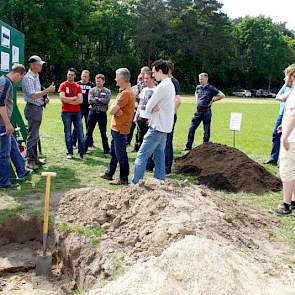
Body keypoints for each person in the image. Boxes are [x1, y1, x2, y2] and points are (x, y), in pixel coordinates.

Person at [132, 59, 175, 185]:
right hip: (164, 126)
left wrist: (153, 106)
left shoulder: (162, 86)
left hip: (157, 127)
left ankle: (135, 184)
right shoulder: (170, 84)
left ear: (160, 71)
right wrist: (154, 106)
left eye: (154, 71)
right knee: (159, 155)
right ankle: (160, 180)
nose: (153, 74)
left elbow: (148, 105)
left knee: (141, 155)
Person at [101, 68, 134, 185]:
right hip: (117, 128)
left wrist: (114, 107)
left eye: (116, 76)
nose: (115, 79)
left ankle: (124, 178)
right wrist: (114, 106)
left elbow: (111, 110)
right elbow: (112, 107)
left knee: (121, 154)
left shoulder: (125, 93)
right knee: (114, 153)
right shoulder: (124, 91)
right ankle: (109, 173)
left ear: (122, 79)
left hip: (120, 129)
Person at [22, 55, 55, 170]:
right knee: (32, 136)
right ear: (32, 65)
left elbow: (38, 93)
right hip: (32, 109)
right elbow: (32, 95)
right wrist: (47, 90)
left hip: (37, 108)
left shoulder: (36, 76)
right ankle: (30, 161)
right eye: (39, 64)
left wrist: (44, 98)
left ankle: (34, 159)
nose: (41, 66)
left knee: (35, 136)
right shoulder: (28, 78)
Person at [0, 64, 30, 188]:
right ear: (19, 74)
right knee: (4, 154)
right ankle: (4, 182)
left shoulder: (5, 81)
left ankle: (22, 171)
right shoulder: (5, 83)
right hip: (2, 124)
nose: (20, 81)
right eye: (21, 78)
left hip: (5, 123)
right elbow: (0, 105)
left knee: (14, 149)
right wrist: (7, 124)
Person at [273, 64, 295, 215]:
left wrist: (286, 135)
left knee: (287, 171)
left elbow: (294, 114)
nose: (284, 78)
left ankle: (286, 205)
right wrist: (284, 125)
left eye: (287, 75)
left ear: (293, 76)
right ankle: (293, 201)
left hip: (292, 139)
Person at [185, 73, 225, 150]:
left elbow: (222, 95)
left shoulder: (211, 88)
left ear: (206, 79)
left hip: (206, 112)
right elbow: (196, 93)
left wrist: (213, 100)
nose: (200, 81)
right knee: (191, 128)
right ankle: (188, 146)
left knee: (206, 130)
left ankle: (205, 148)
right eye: (199, 79)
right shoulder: (198, 87)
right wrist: (197, 100)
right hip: (198, 111)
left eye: (202, 79)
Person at [265, 73, 293, 165]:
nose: (284, 78)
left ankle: (285, 161)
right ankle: (273, 158)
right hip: (281, 114)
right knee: (276, 135)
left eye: (287, 76)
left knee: (288, 137)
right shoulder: (286, 86)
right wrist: (285, 85)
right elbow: (278, 97)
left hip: (289, 115)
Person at [58, 68, 84, 159]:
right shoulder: (63, 85)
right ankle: (69, 152)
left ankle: (81, 152)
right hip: (66, 113)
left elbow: (80, 100)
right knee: (67, 133)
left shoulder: (77, 86)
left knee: (80, 132)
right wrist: (73, 98)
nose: (70, 76)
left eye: (72, 75)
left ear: (74, 76)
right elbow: (62, 98)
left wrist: (68, 100)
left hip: (77, 112)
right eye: (69, 74)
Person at [85, 74, 111, 154]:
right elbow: (90, 101)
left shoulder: (107, 91)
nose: (98, 83)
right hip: (92, 113)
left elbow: (106, 101)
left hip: (102, 114)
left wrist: (97, 99)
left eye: (99, 81)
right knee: (89, 132)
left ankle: (106, 150)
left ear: (103, 81)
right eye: (97, 81)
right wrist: (100, 100)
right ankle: (84, 149)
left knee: (103, 132)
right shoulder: (92, 90)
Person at [128, 66, 151, 150]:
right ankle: (133, 143)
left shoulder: (151, 85)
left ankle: (139, 145)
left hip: (144, 111)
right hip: (136, 109)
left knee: (141, 130)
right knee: (133, 127)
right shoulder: (138, 85)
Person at [165, 61, 181, 174]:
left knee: (167, 141)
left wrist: (171, 114)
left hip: (169, 116)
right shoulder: (164, 82)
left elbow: (178, 100)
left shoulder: (174, 82)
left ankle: (167, 167)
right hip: (163, 116)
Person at [133, 71, 156, 148]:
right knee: (140, 139)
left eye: (147, 78)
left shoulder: (156, 90)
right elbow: (140, 104)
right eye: (144, 78)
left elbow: (157, 106)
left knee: (149, 141)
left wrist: (152, 118)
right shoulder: (143, 90)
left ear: (153, 79)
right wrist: (136, 116)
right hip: (141, 118)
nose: (145, 80)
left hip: (150, 119)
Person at [73, 70, 95, 148]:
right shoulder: (77, 84)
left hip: (89, 108)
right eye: (83, 76)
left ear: (88, 77)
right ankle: (73, 142)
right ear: (81, 76)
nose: (84, 78)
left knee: (89, 126)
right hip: (78, 108)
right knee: (77, 125)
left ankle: (90, 142)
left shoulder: (92, 85)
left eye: (86, 76)